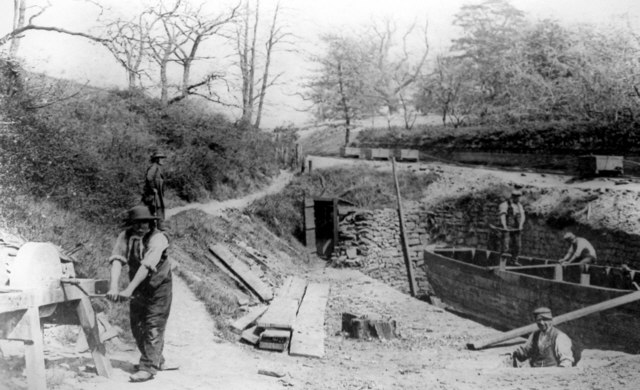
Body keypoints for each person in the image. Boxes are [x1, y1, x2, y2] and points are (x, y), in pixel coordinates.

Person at [107, 205, 172, 383]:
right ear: (132, 224)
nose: (141, 226)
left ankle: (148, 367)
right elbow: (117, 261)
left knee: (153, 325)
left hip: (159, 287)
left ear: (151, 223)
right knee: (137, 325)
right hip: (139, 287)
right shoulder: (125, 236)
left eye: (145, 223)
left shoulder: (158, 238)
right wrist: (114, 286)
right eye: (137, 223)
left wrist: (128, 289)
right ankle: (155, 359)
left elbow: (146, 265)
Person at [498, 189, 525, 265]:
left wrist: (521, 225)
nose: (518, 199)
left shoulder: (519, 206)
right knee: (505, 245)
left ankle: (514, 261)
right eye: (516, 197)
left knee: (518, 245)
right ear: (513, 197)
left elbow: (522, 216)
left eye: (519, 197)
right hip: (507, 227)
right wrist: (504, 226)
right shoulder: (505, 204)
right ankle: (502, 263)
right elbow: (502, 216)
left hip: (516, 228)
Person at [142, 151, 166, 228]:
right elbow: (149, 178)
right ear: (157, 159)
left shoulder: (158, 167)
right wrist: (153, 188)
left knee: (157, 208)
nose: (163, 160)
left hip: (157, 192)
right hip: (153, 193)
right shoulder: (154, 167)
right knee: (157, 207)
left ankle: (156, 225)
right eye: (161, 158)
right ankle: (159, 226)